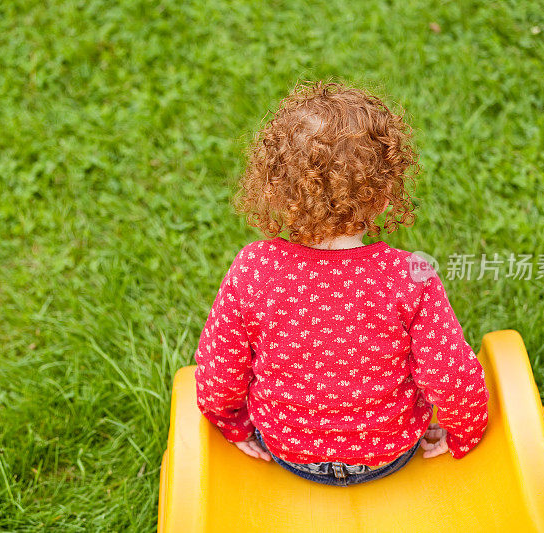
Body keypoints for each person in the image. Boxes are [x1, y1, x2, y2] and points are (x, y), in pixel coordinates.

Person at [193, 80, 489, 486]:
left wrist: (234, 424)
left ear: (276, 192)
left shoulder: (254, 269)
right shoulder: (411, 275)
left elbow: (218, 373)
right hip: (388, 453)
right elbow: (451, 376)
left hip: (287, 449)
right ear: (385, 194)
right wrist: (464, 433)